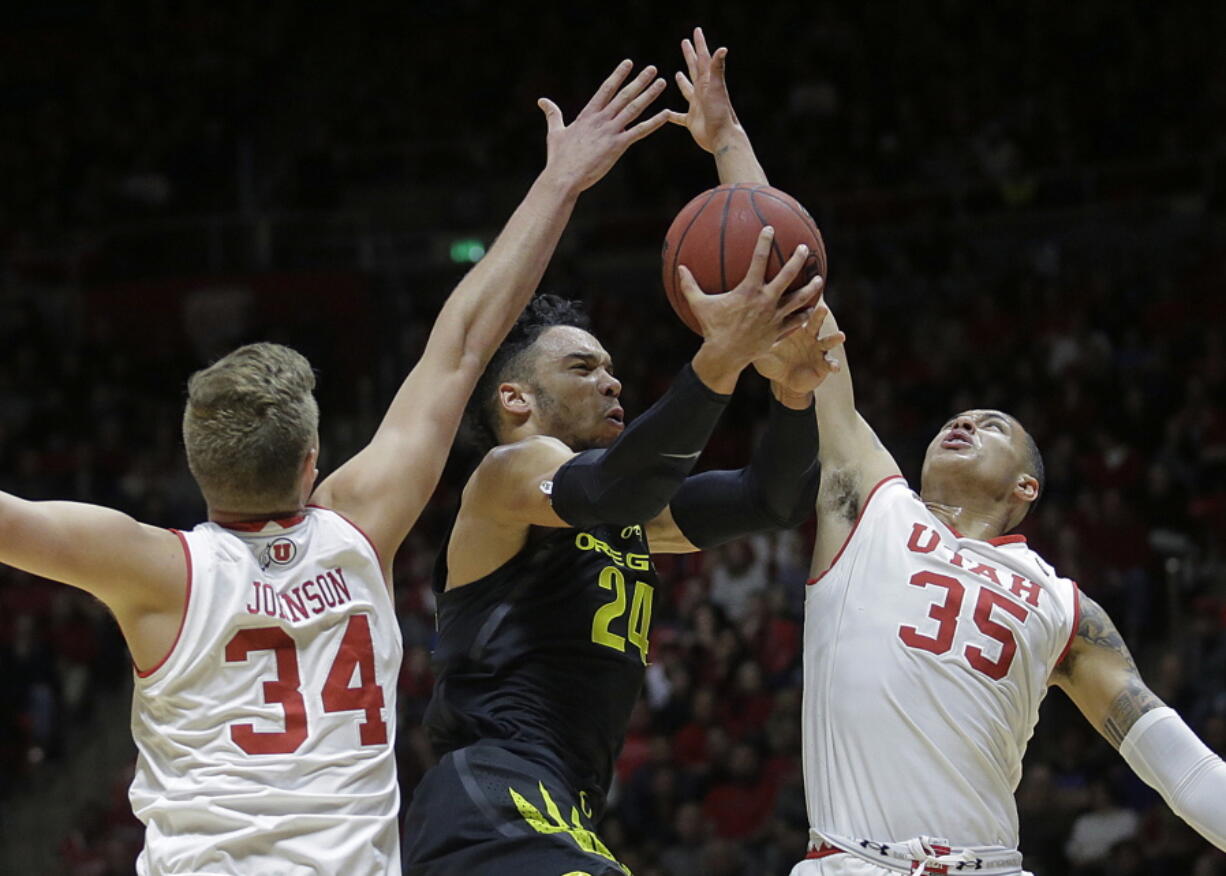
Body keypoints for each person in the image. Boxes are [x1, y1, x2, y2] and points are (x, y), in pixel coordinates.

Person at [0, 60, 671, 875]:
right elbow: (462, 342)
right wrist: (560, 182)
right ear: (314, 460)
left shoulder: (155, 570)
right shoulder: (359, 525)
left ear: (196, 464)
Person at [667, 26, 1226, 876]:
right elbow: (797, 297)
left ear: (1028, 487)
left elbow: (1167, 754)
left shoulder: (1062, 603)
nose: (964, 423)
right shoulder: (868, 501)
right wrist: (730, 143)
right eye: (957, 418)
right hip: (850, 863)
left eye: (994, 425)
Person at [401, 176, 844, 871]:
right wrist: (720, 357)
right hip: (494, 795)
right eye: (582, 367)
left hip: (562, 808)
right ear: (515, 398)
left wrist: (792, 396)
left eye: (610, 367)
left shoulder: (629, 512)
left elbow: (771, 499)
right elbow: (614, 485)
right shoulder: (508, 475)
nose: (611, 381)